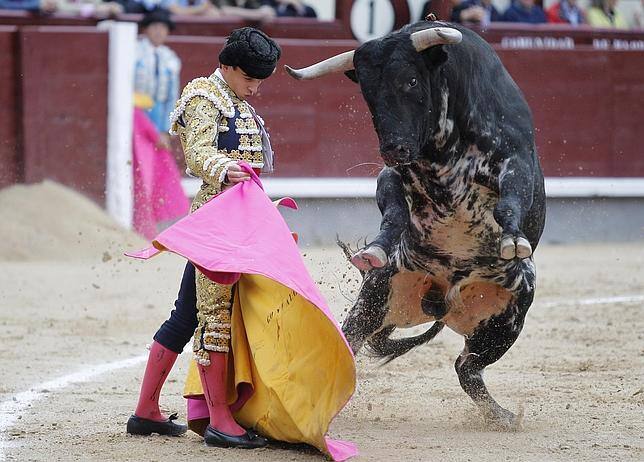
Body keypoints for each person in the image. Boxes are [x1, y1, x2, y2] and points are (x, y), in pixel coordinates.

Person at [126, 26, 280, 449]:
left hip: (238, 221)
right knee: (212, 316)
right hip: (216, 222)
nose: (255, 88)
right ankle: (219, 420)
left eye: (259, 81)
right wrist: (223, 169)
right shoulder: (203, 96)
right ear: (227, 66)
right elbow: (197, 152)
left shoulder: (236, 99)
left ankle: (146, 412)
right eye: (249, 78)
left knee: (187, 313)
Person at [132, 7, 189, 239]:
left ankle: (148, 223)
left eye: (163, 28)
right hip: (134, 118)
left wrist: (165, 129)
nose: (159, 31)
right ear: (146, 29)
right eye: (155, 26)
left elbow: (171, 98)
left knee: (153, 170)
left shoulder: (170, 59)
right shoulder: (132, 51)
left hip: (155, 120)